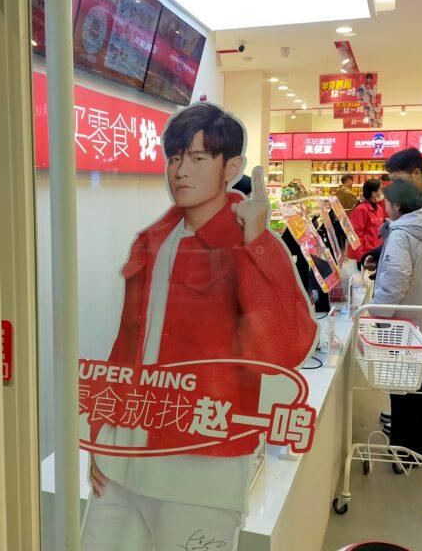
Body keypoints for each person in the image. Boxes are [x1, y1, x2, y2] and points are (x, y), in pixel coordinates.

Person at [81, 102, 318, 551]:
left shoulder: (248, 242)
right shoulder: (152, 240)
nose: (181, 171)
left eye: (198, 157)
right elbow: (125, 347)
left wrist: (256, 242)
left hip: (203, 467)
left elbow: (284, 350)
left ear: (232, 168)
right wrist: (100, 435)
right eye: (174, 157)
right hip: (125, 455)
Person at [371, 180, 422, 457]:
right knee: (421, 386)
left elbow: (395, 282)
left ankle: (404, 451)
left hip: (404, 325)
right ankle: (421, 445)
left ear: (396, 205)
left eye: (386, 200)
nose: (384, 205)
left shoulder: (402, 234)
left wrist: (376, 313)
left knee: (402, 387)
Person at [347, 179, 385, 269]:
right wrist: (360, 258)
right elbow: (355, 236)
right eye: (380, 189)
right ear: (373, 193)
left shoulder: (379, 209)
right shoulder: (361, 209)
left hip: (375, 252)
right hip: (364, 255)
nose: (382, 191)